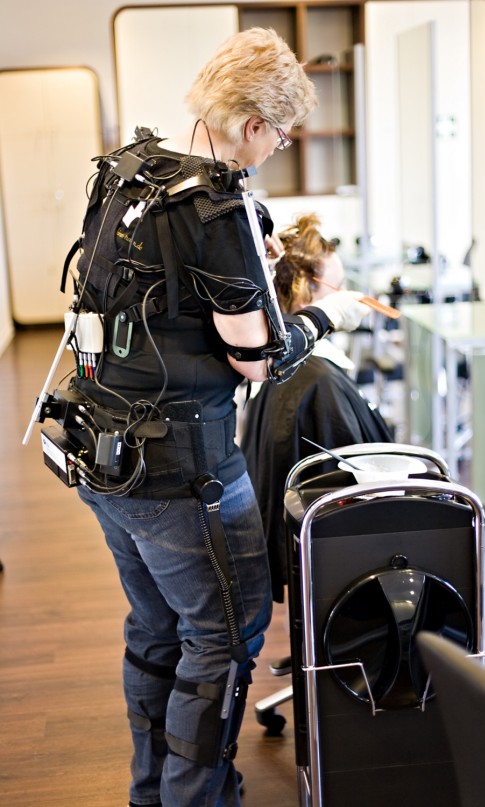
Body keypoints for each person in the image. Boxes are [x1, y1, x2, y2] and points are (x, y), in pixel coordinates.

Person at [59, 28, 372, 807]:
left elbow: (158, 302)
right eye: (283, 130)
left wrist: (244, 269)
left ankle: (151, 793)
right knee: (223, 640)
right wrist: (329, 315)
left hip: (103, 456)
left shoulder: (129, 174)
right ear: (257, 124)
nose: (282, 145)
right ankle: (196, 796)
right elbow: (258, 357)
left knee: (157, 629)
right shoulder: (217, 203)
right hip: (181, 473)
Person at [241, 213, 394, 602]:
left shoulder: (295, 369)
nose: (348, 295)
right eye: (338, 288)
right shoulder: (316, 382)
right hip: (364, 559)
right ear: (306, 291)